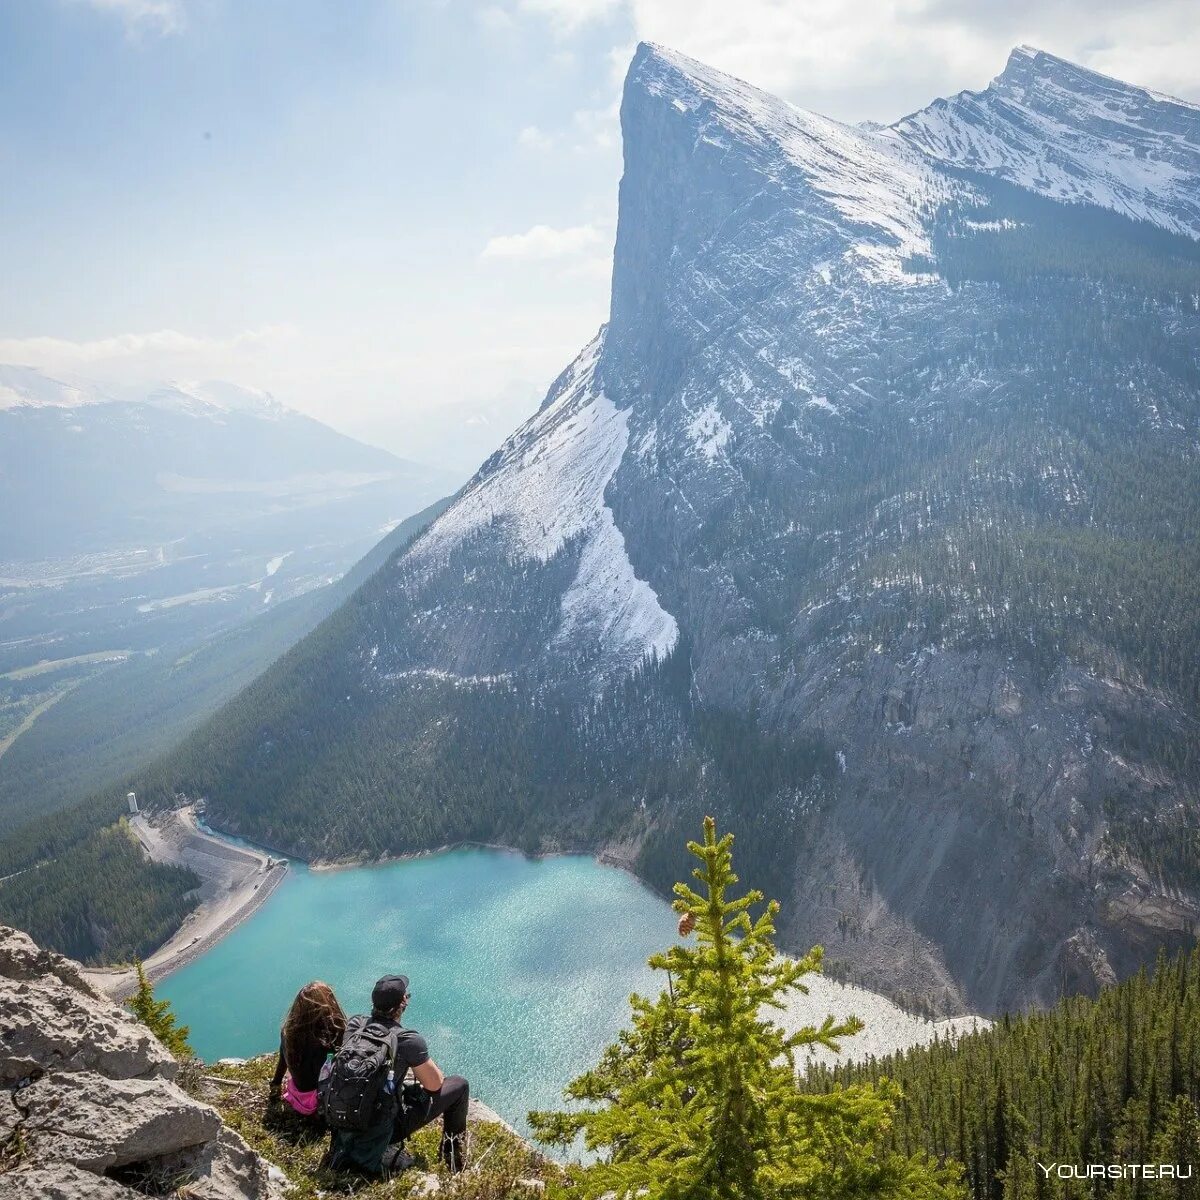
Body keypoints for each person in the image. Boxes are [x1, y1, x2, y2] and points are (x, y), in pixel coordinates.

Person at [327, 974, 470, 1175]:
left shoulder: (355, 1025)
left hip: (343, 1119)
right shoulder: (407, 1039)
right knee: (459, 1085)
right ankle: (452, 1155)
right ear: (403, 1002)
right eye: (406, 996)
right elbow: (434, 1085)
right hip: (383, 1129)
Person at [269, 981, 347, 1119]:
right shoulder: (333, 1035)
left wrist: (276, 1083)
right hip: (320, 1100)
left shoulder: (288, 1032)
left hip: (297, 1095)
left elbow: (283, 1059)